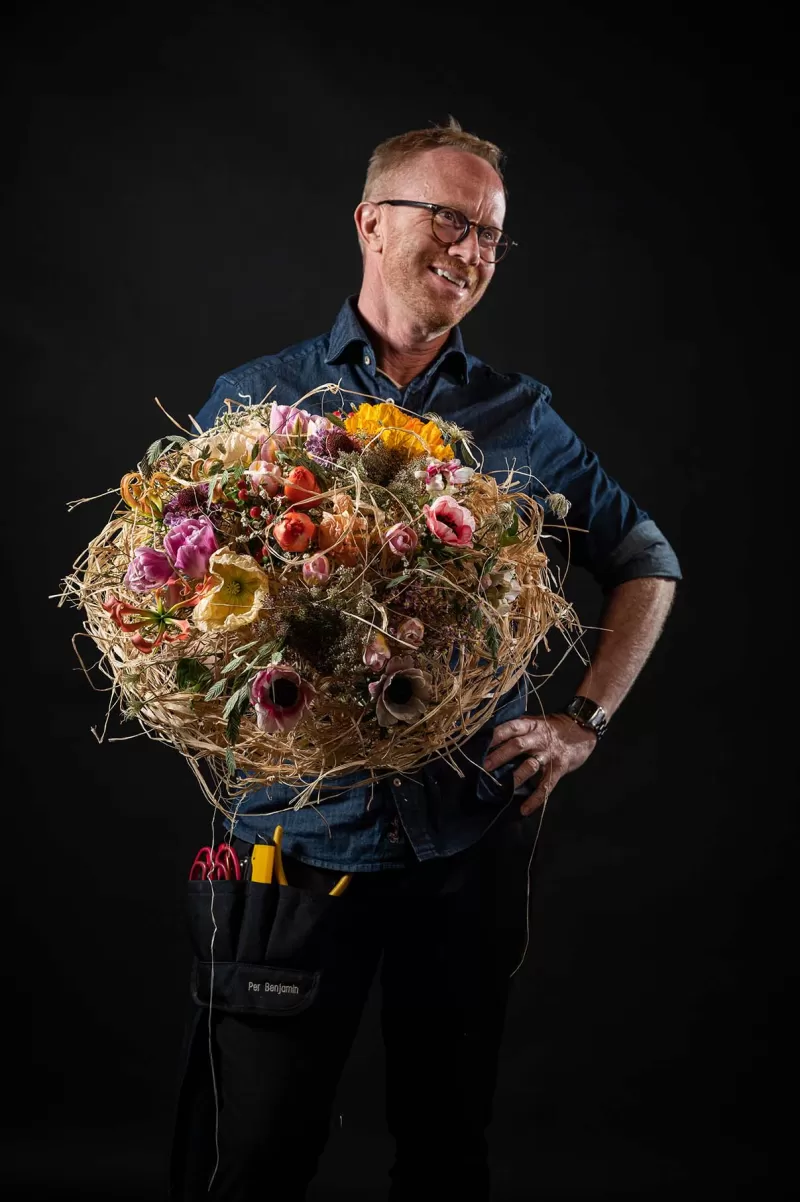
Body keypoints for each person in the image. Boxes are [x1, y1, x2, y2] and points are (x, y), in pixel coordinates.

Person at [170, 118, 681, 1201]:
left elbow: (645, 558)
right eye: (448, 216)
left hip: (464, 840)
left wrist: (582, 719)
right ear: (370, 220)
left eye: (491, 234)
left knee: (446, 1154)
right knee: (249, 1159)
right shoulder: (255, 400)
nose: (470, 247)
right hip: (292, 845)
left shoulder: (519, 416)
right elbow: (166, 593)